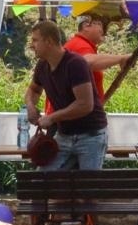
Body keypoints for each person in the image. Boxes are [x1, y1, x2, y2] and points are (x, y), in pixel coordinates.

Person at [25, 19, 108, 172]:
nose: (32, 45)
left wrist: (51, 117)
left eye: (35, 40)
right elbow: (34, 90)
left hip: (90, 135)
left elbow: (85, 105)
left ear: (49, 41)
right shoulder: (42, 66)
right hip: (64, 135)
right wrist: (30, 106)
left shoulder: (75, 64)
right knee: (41, 180)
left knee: (87, 190)